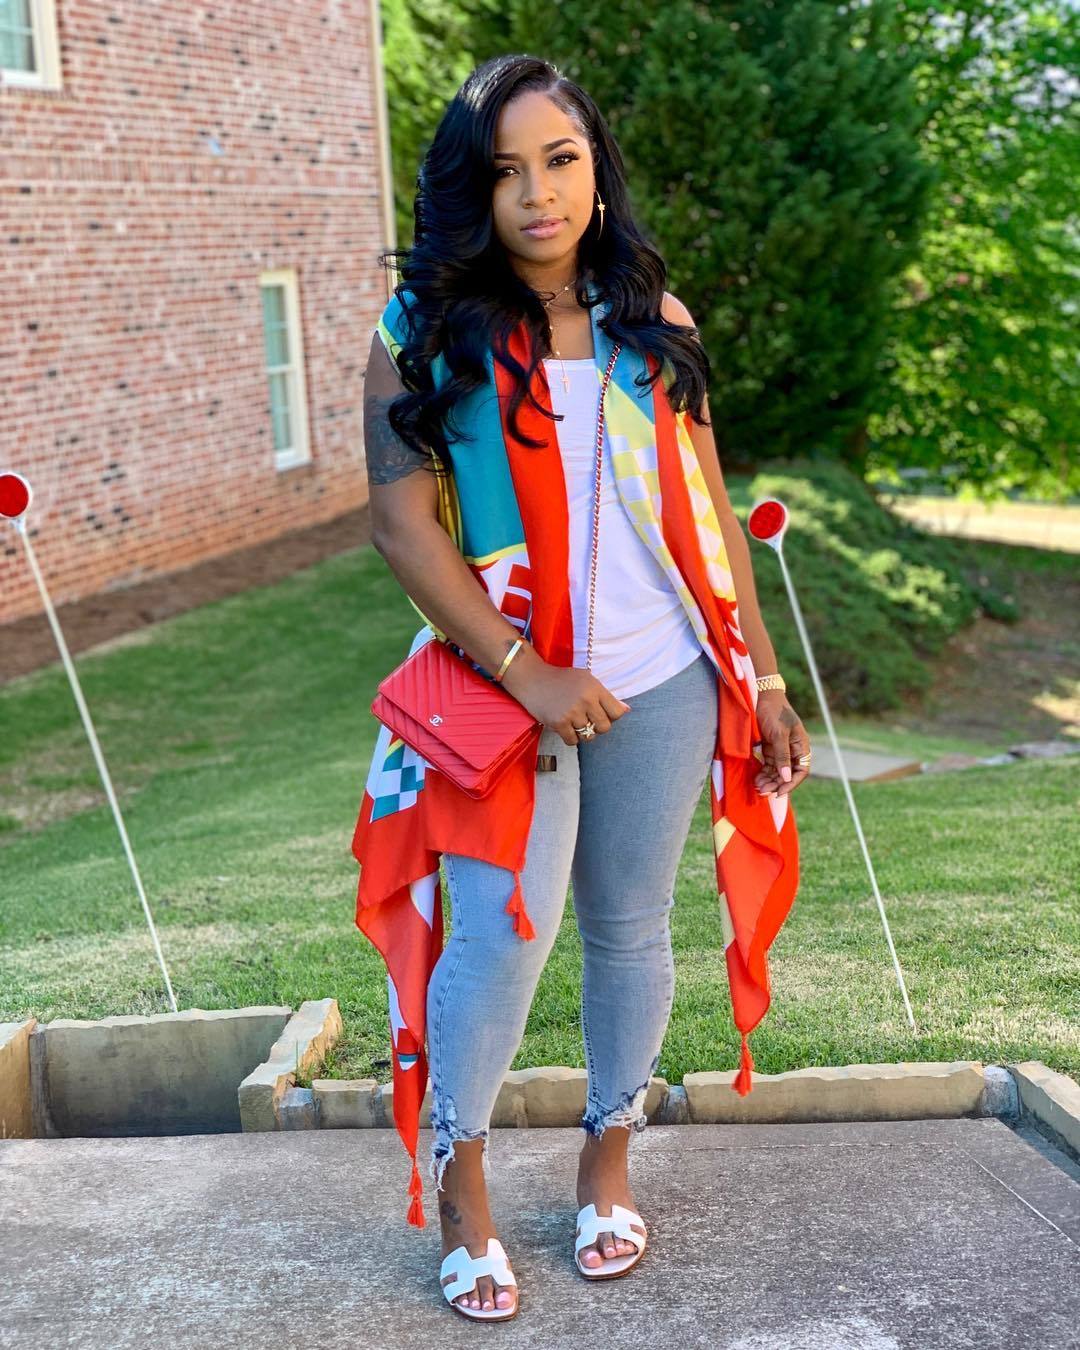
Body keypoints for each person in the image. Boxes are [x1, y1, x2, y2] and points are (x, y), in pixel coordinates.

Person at [357, 53, 809, 1323]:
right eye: (506, 171)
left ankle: (607, 1163)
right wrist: (530, 673)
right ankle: (461, 1187)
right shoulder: (420, 331)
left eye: (560, 160)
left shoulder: (654, 319)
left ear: (596, 169)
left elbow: (707, 510)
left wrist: (766, 674)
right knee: (503, 934)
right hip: (505, 685)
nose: (538, 193)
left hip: (664, 673)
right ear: (473, 189)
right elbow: (401, 527)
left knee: (630, 926)